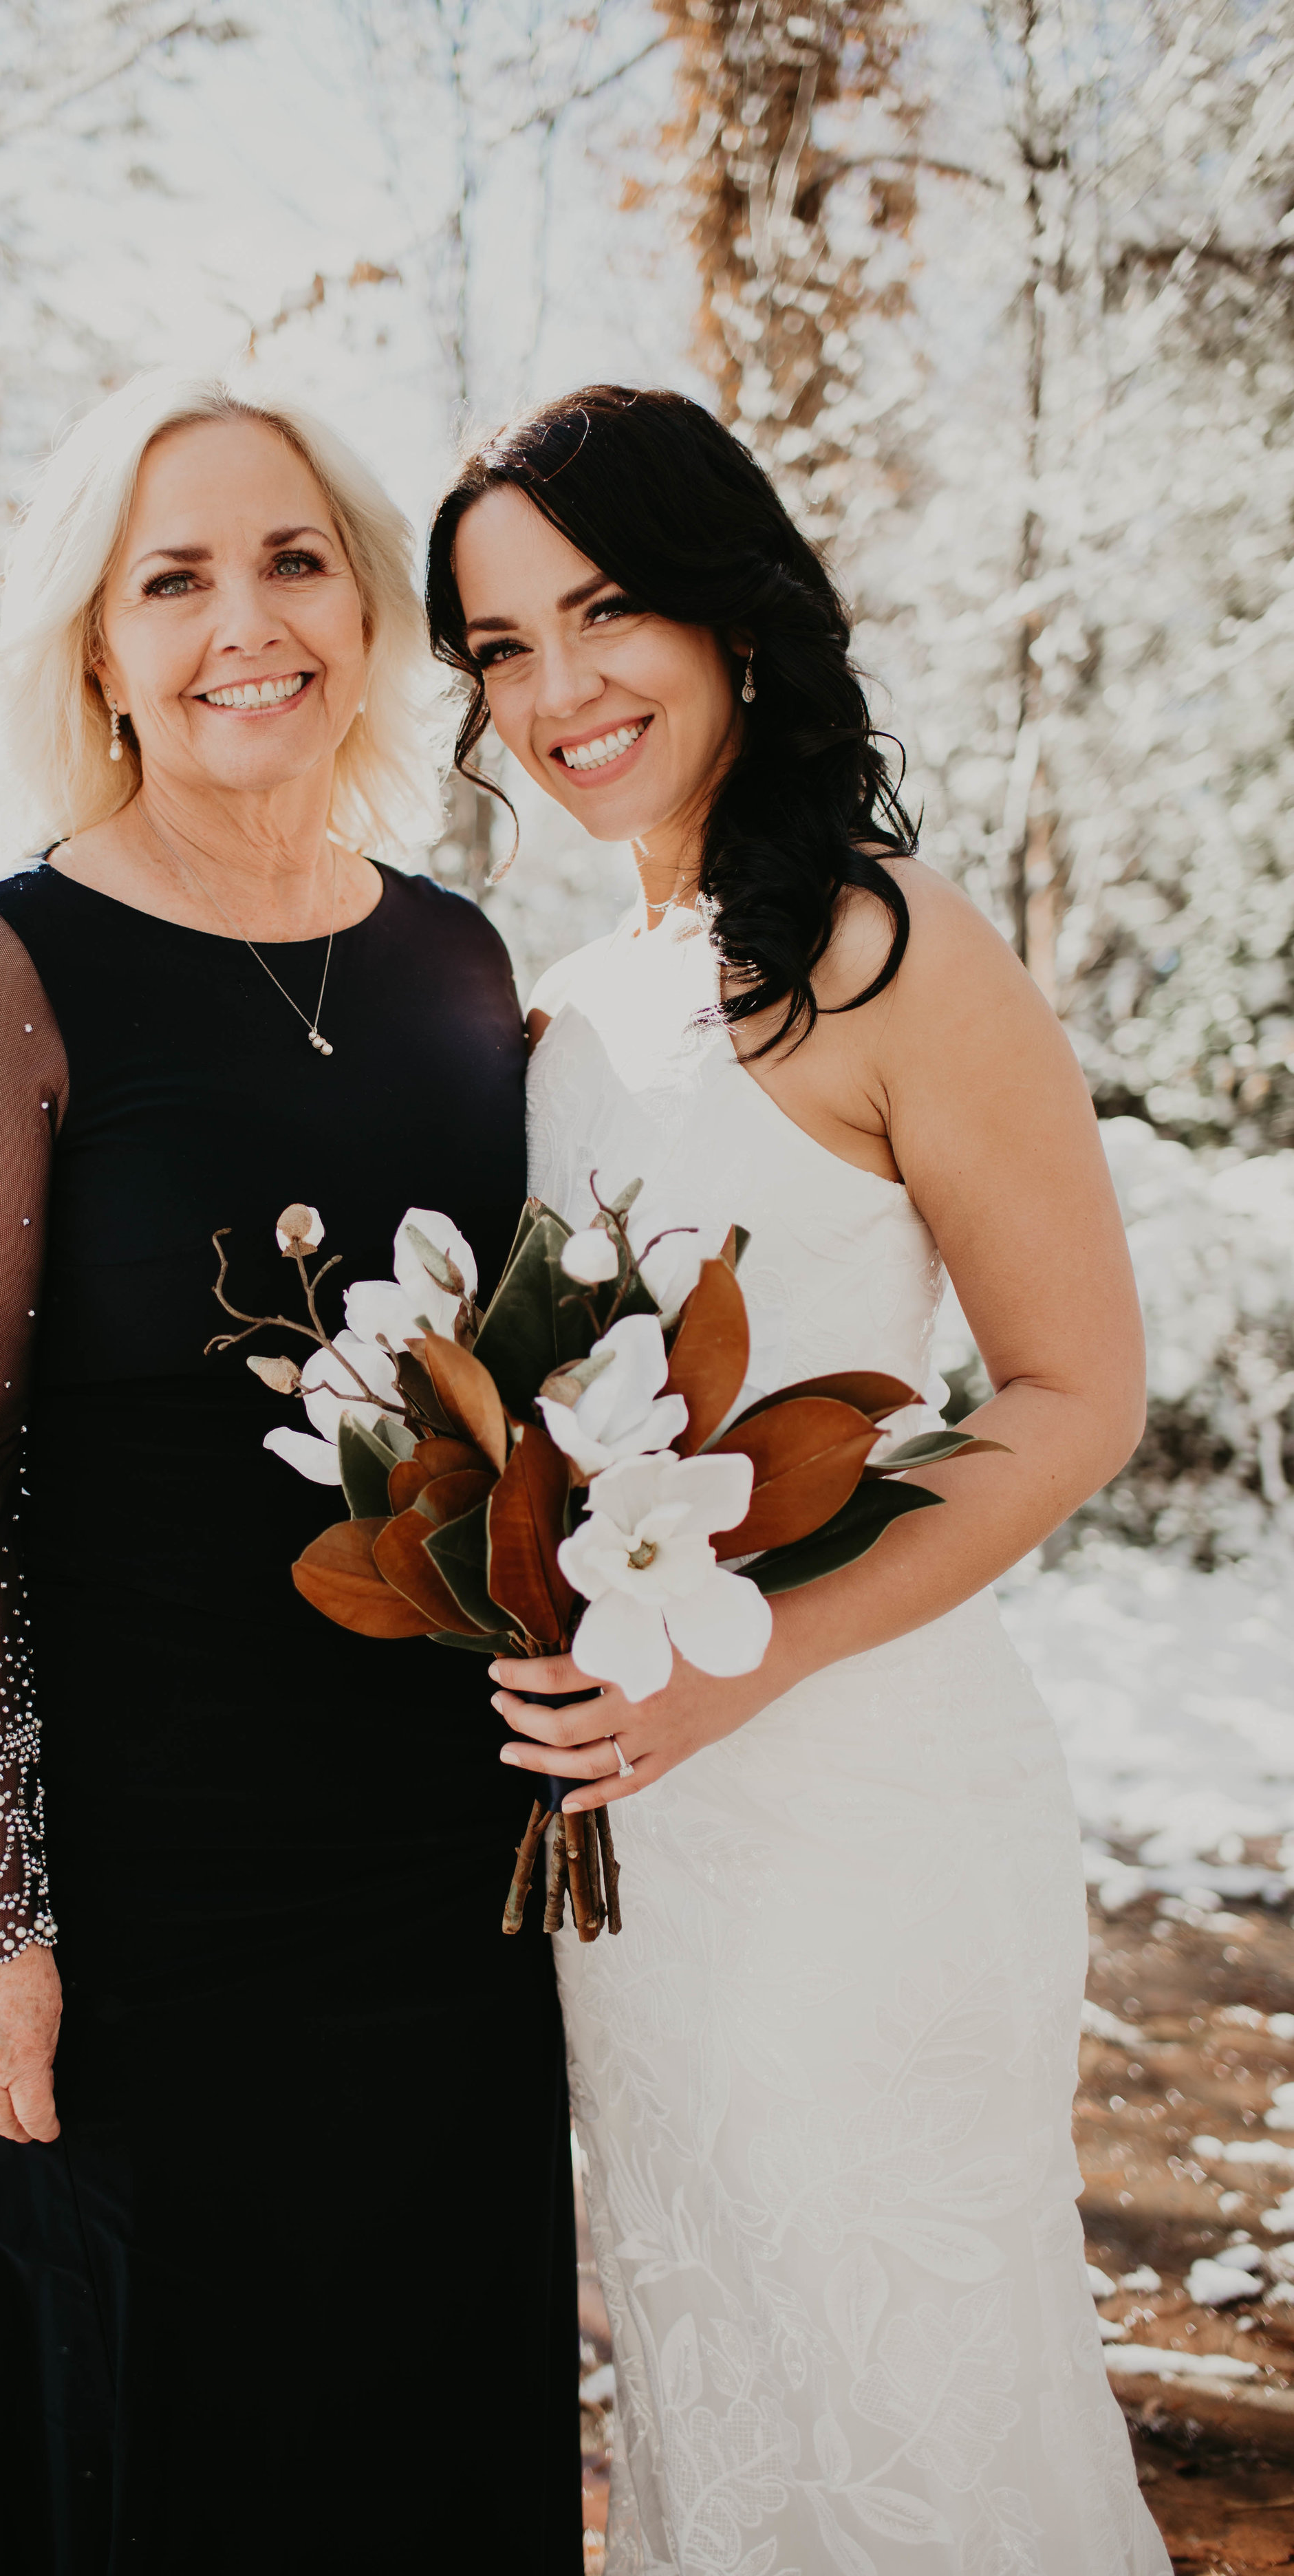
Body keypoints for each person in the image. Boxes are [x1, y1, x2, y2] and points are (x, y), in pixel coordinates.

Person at [0, 374, 578, 2574]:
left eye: (290, 561)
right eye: (172, 579)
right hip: (152, 1915)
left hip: (448, 1887)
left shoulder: (456, 958)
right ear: (95, 645)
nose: (243, 621)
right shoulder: (4, 967)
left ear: (364, 605)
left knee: (436, 2457)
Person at [427, 385, 1170, 2575]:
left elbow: (1073, 1391)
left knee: (912, 2408)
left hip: (858, 1808)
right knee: (718, 2382)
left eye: (605, 610)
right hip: (640, 1850)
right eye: (497, 644)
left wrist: (751, 1663)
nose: (556, 687)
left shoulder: (886, 945)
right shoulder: (564, 1005)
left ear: (732, 612)